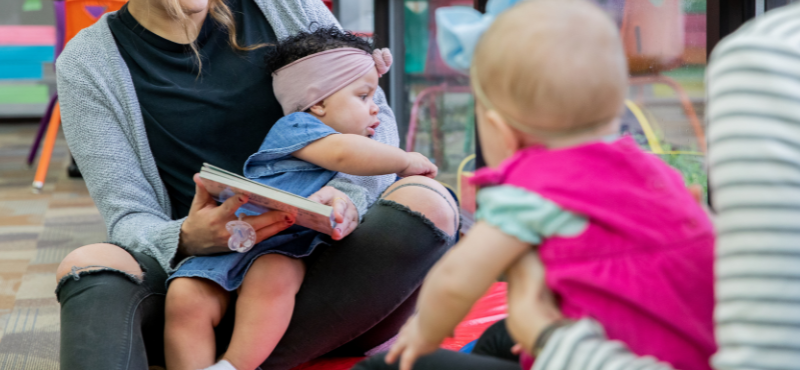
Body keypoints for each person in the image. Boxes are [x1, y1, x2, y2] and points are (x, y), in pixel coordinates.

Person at [53, 0, 458, 368]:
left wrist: (346, 198)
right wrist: (188, 237)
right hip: (198, 284)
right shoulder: (88, 63)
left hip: (328, 275)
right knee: (86, 263)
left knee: (429, 202)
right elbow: (127, 216)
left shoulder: (285, 6)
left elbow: (374, 118)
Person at [355, 1, 715, 369]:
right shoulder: (654, 173)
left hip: (594, 356)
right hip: (677, 354)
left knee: (383, 367)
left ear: (500, 130)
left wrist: (423, 333)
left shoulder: (535, 189)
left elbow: (455, 280)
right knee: (499, 338)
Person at [165, 28, 441, 370]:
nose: (377, 111)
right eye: (364, 96)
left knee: (273, 272)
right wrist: (403, 159)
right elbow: (343, 154)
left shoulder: (358, 165)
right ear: (318, 103)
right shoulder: (298, 127)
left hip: (288, 250)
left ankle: (233, 365)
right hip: (244, 238)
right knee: (185, 295)